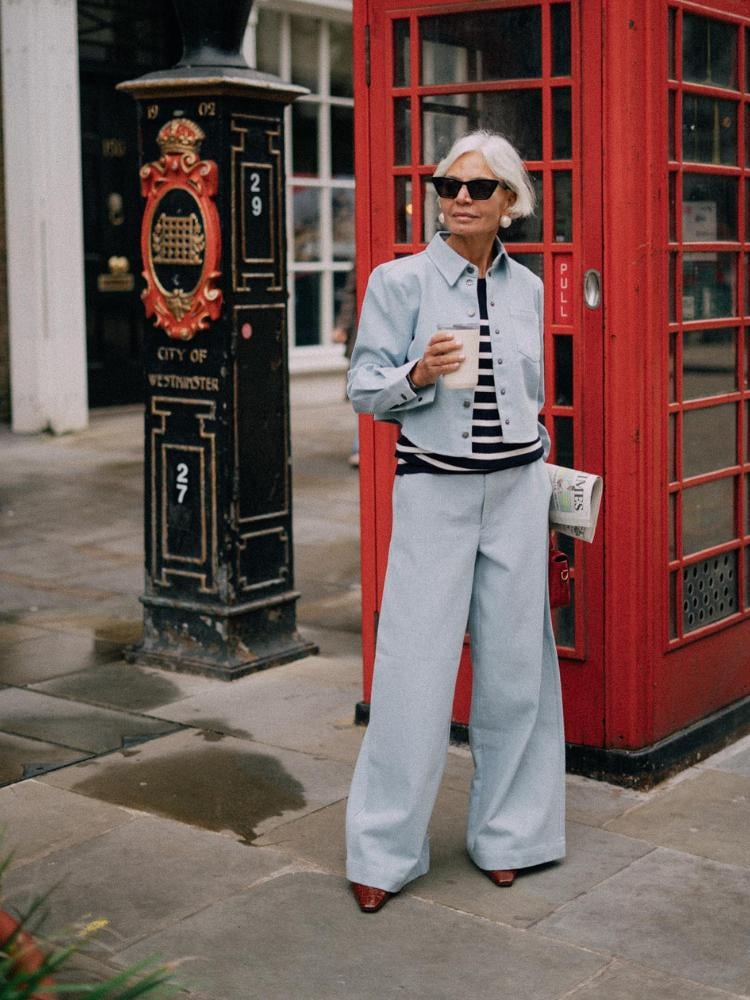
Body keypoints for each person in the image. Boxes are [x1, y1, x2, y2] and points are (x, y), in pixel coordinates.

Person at [345, 130, 565, 913]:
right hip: (434, 491)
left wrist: (547, 474)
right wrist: (416, 374)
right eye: (447, 184)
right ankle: (382, 851)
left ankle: (511, 836)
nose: (459, 198)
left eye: (477, 188)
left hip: (516, 491)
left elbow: (533, 393)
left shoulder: (530, 289)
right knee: (411, 671)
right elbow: (364, 389)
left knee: (515, 671)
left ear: (509, 202)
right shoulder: (398, 282)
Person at [331, 268, 360, 467]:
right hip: (365, 331)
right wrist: (343, 325)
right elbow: (351, 292)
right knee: (366, 388)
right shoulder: (359, 258)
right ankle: (360, 447)